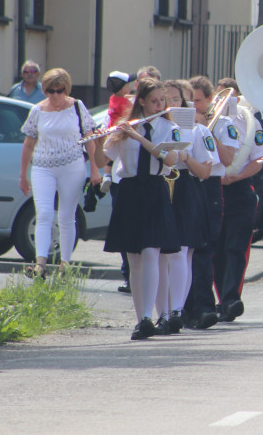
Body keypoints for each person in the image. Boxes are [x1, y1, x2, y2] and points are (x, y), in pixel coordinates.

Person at [102, 79, 182, 340]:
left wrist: (138, 137)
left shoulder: (171, 128)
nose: (160, 104)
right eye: (155, 100)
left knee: (152, 251)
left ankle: (151, 315)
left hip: (155, 189)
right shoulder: (125, 129)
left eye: (163, 100)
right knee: (134, 258)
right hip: (130, 191)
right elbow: (104, 158)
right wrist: (101, 138)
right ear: (143, 102)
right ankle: (141, 320)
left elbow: (170, 160)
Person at [18, 68, 102, 278]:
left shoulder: (77, 107)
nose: (55, 95)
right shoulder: (38, 110)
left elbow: (89, 139)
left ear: (67, 89)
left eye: (59, 90)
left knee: (66, 216)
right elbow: (28, 144)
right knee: (44, 214)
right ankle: (40, 264)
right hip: (43, 166)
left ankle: (65, 263)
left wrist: (94, 168)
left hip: (71, 165)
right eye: (50, 91)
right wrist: (23, 175)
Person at [154, 80, 213, 335]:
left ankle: (177, 310)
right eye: (163, 99)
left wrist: (187, 157)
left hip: (186, 187)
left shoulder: (198, 131)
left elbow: (206, 172)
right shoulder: (155, 128)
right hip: (158, 185)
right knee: (158, 254)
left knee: (181, 252)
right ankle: (161, 313)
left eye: (175, 99)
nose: (170, 104)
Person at [184, 75, 241, 329]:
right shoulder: (181, 121)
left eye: (198, 101)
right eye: (190, 101)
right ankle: (184, 309)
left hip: (210, 187)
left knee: (206, 248)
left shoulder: (224, 123)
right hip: (187, 183)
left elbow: (227, 159)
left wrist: (207, 129)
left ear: (209, 100)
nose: (194, 106)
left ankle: (205, 307)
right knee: (185, 250)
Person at [214, 78, 263, 321]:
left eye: (231, 97)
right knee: (215, 248)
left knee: (236, 247)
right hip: (214, 189)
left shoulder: (250, 122)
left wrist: (236, 175)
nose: (226, 101)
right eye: (221, 97)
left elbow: (260, 159)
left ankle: (231, 299)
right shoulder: (210, 120)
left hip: (239, 190)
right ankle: (219, 298)